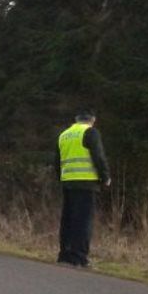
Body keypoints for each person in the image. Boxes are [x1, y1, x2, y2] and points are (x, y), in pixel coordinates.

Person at [55, 110, 111, 268]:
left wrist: (61, 178)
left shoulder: (64, 135)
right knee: (83, 221)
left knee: (68, 220)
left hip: (68, 182)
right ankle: (79, 257)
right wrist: (105, 176)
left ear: (76, 119)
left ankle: (64, 255)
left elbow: (57, 161)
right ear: (92, 120)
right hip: (86, 183)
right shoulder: (90, 133)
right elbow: (98, 156)